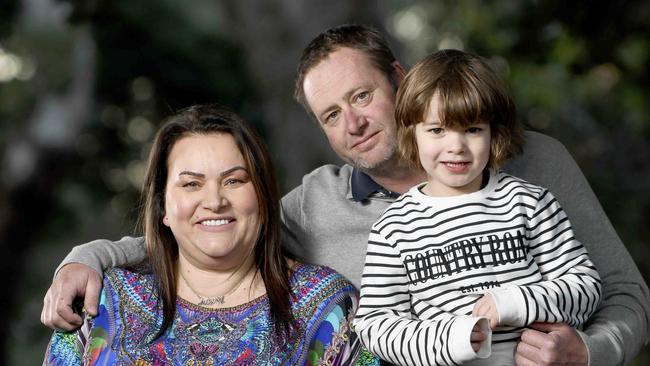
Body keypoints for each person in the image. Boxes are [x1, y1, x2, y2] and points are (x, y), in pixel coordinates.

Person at [42, 25, 649, 365]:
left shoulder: (532, 164)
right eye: (331, 115)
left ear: (401, 81)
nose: (353, 124)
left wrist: (589, 355)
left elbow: (627, 295)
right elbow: (213, 224)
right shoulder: (316, 206)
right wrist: (90, 258)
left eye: (362, 97)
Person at [43, 105, 376, 365]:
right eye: (191, 184)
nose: (215, 201)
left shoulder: (328, 306)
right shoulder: (100, 302)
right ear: (163, 207)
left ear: (262, 195)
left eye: (234, 180)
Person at [353, 49, 603, 365]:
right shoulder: (394, 227)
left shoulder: (529, 203)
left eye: (472, 129)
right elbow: (375, 325)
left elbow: (585, 288)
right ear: (411, 133)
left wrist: (515, 302)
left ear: (493, 133)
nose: (455, 146)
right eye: (437, 130)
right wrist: (452, 338)